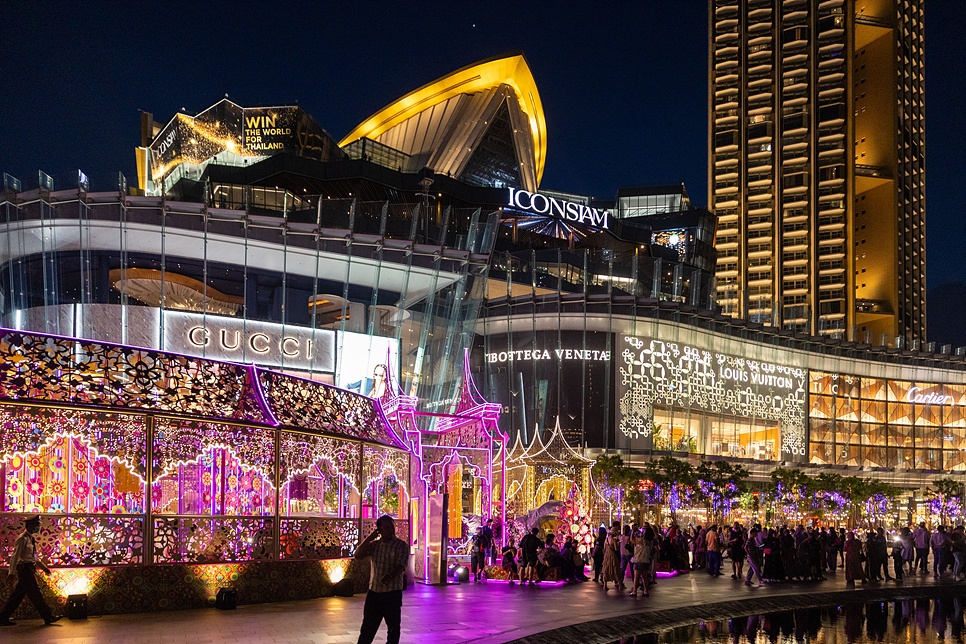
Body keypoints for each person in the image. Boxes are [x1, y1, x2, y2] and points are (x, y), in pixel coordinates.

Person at [355, 515, 409, 644]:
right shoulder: (374, 545)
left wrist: (390, 575)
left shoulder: (401, 546)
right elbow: (357, 555)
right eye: (386, 528)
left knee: (393, 629)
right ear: (379, 529)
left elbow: (402, 565)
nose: (390, 530)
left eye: (391, 527)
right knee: (368, 628)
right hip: (374, 593)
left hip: (392, 594)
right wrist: (371, 537)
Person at [0, 516, 59, 626]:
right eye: (36, 525)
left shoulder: (31, 539)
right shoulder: (22, 539)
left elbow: (34, 558)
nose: (38, 527)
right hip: (25, 569)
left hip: (29, 568)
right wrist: (11, 572)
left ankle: (2, 617)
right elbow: (15, 556)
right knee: (35, 594)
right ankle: (48, 616)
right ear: (30, 526)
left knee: (17, 596)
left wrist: (44, 568)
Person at [630, 527, 654, 597]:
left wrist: (633, 532)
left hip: (639, 559)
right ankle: (646, 591)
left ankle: (634, 591)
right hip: (646, 560)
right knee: (645, 577)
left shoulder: (642, 540)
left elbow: (632, 540)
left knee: (636, 577)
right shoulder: (650, 541)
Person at [601, 521, 622, 591]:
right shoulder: (614, 540)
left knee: (606, 569)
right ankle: (620, 585)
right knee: (615, 569)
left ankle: (605, 585)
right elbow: (616, 549)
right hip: (612, 555)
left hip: (607, 555)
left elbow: (604, 547)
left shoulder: (606, 539)